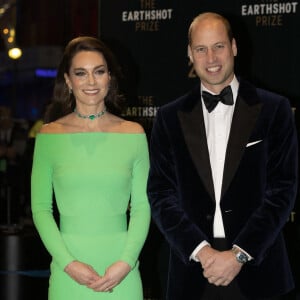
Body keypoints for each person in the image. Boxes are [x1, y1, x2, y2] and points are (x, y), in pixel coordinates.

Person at [147, 12, 298, 300]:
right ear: (190, 54)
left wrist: (239, 255)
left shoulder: (274, 109)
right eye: (201, 49)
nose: (211, 58)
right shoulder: (169, 117)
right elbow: (161, 193)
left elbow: (282, 190)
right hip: (194, 273)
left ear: (234, 47)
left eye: (219, 46)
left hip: (260, 271)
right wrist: (201, 252)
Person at [31, 36, 151, 300]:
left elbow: (143, 206)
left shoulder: (134, 134)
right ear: (68, 81)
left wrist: (126, 262)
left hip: (122, 272)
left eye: (98, 72)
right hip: (68, 271)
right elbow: (41, 209)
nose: (91, 82)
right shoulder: (49, 136)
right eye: (81, 73)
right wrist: (69, 264)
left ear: (109, 77)